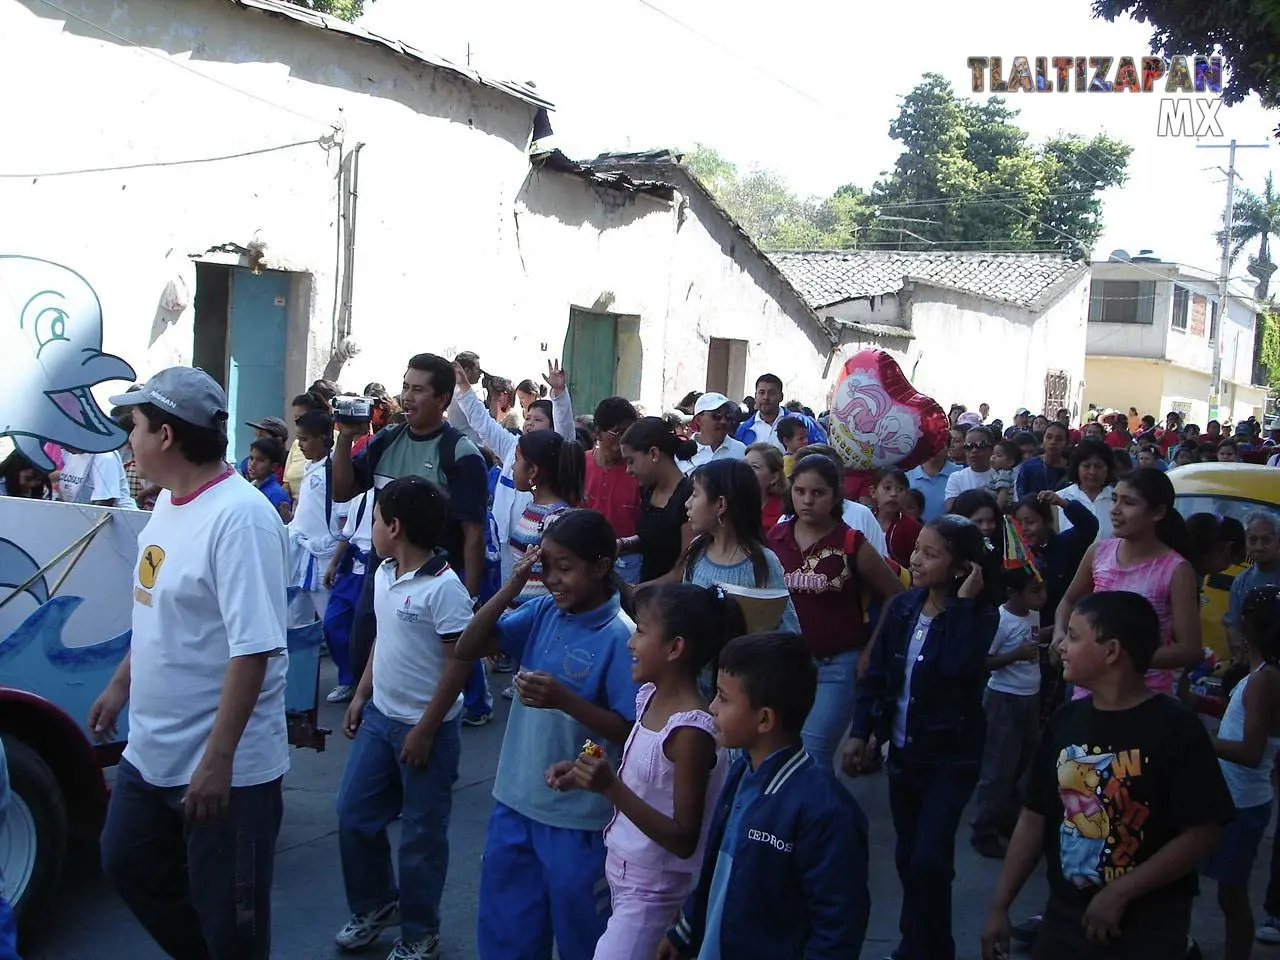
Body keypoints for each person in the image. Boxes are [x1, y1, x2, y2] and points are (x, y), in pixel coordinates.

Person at [90, 367, 289, 959]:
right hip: (152, 754)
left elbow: (252, 648)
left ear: (167, 437)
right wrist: (120, 685)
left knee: (235, 926)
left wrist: (217, 762)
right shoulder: (172, 505)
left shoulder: (240, 518)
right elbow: (157, 609)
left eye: (137, 425)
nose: (130, 437)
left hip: (223, 770)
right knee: (126, 862)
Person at [418, 510, 638, 960]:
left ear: (600, 567)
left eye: (566, 568)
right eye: (547, 566)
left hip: (578, 820)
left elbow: (627, 730)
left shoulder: (621, 636)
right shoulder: (542, 611)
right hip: (515, 801)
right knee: (507, 934)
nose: (554, 579)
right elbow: (468, 647)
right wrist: (511, 587)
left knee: (584, 940)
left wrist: (564, 699)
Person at [981, 592, 1233, 960]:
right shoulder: (1067, 720)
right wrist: (999, 905)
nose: (1061, 646)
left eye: (1074, 636)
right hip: (1065, 917)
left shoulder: (1176, 729)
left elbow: (1203, 832)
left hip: (1149, 924)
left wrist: (1122, 891)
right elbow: (1034, 818)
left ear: (1112, 651)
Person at [547, 584, 741, 960]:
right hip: (626, 874)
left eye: (640, 631)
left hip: (655, 890)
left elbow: (685, 838)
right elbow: (639, 767)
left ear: (675, 648)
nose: (630, 643)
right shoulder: (649, 697)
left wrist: (610, 788)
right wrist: (584, 767)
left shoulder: (690, 733)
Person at [658, 632, 871, 959]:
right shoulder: (742, 771)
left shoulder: (826, 812)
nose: (712, 707)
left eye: (723, 698)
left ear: (765, 719)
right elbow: (718, 867)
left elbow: (838, 927)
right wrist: (684, 930)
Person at [844, 515, 998, 960]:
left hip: (950, 758)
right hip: (904, 755)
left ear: (961, 567)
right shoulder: (905, 607)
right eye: (917, 551)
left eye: (932, 554)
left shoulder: (979, 616)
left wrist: (965, 604)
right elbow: (878, 677)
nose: (918, 560)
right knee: (910, 859)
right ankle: (918, 944)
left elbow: (955, 670)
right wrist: (861, 731)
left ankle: (932, 948)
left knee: (931, 859)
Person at [333, 478, 472, 960]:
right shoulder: (383, 574)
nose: (371, 528)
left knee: (420, 837)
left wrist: (427, 728)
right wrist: (362, 693)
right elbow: (384, 639)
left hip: (426, 732)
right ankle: (376, 904)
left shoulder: (445, 589)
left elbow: (459, 663)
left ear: (394, 526)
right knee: (353, 815)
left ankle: (420, 932)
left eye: (375, 520)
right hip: (378, 718)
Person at [330, 353, 489, 695]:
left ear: (442, 399)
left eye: (418, 390)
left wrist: (471, 598)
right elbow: (342, 491)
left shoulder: (460, 454)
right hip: (381, 573)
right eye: (405, 387)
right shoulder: (385, 440)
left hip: (434, 582)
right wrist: (343, 439)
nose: (406, 397)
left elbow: (473, 535)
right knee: (366, 654)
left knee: (429, 677)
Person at [769, 455, 903, 771]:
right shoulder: (775, 539)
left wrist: (872, 650)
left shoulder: (851, 541)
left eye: (818, 493)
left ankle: (820, 820)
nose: (807, 500)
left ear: (836, 495)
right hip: (785, 666)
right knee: (780, 755)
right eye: (800, 491)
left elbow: (897, 598)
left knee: (812, 758)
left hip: (837, 665)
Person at [1186, 585, 1280, 960]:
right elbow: (1236, 716)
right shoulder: (1260, 674)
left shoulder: (1264, 679)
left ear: (1249, 626)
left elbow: (1251, 751)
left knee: (1232, 895)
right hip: (1232, 798)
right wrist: (1198, 704)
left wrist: (1199, 743)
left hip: (1240, 805)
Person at [1055, 468, 1201, 699]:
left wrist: (1123, 657)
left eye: (1128, 502)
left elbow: (1189, 649)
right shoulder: (1098, 552)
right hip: (1088, 691)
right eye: (1115, 499)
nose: (1115, 510)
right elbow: (1069, 601)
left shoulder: (1176, 570)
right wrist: (1060, 633)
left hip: (1144, 698)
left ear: (1158, 512)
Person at [670, 459, 800, 635]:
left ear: (721, 504)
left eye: (695, 494)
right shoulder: (696, 551)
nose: (687, 503)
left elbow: (788, 630)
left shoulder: (762, 562)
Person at [970, 566, 1045, 859]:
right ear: (1013, 593)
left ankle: (1006, 818)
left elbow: (1034, 638)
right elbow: (984, 662)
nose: (1042, 597)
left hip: (1031, 698)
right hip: (1005, 700)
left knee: (1022, 764)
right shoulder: (1000, 621)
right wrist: (1016, 655)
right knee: (998, 769)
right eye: (1035, 591)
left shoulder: (1033, 615)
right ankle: (983, 829)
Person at [508, 430, 586, 605]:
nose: (513, 467)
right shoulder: (532, 507)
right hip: (520, 612)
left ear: (533, 470)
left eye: (516, 460)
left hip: (537, 616)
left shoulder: (555, 518)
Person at [619, 418, 695, 583]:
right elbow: (651, 539)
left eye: (631, 461)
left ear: (653, 454)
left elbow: (683, 570)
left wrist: (638, 592)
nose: (628, 470)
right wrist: (622, 544)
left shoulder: (688, 498)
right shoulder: (649, 489)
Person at [288, 409, 340, 627]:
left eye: (305, 439)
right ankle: (302, 661)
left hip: (324, 557)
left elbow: (341, 515)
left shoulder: (333, 472)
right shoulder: (311, 468)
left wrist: (335, 558)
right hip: (301, 555)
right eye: (299, 439)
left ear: (324, 439)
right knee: (294, 621)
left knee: (328, 621)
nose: (300, 445)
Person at [585, 397, 644, 584]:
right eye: (618, 432)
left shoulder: (640, 472)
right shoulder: (580, 464)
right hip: (583, 559)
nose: (625, 439)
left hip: (627, 563)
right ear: (597, 433)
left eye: (630, 432)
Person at [323, 488, 373, 704]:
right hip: (353, 572)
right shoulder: (361, 497)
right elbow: (347, 535)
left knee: (374, 633)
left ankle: (370, 685)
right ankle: (348, 678)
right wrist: (333, 564)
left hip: (378, 569)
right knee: (332, 624)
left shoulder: (395, 494)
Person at [1226, 512, 1280, 666]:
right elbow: (1233, 624)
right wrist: (1242, 657)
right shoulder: (1241, 581)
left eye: (1266, 540)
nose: (1259, 547)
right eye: (1252, 540)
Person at [734, 374, 825, 451]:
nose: (766, 397)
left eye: (772, 393)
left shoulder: (801, 422)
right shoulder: (744, 429)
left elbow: (820, 452)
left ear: (781, 397)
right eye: (761, 392)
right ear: (755, 396)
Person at [1055, 439, 1116, 542]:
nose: (1092, 472)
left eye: (1098, 467)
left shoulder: (1117, 500)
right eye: (1086, 466)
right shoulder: (1059, 500)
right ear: (1077, 467)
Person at [678, 393, 746, 472]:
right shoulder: (681, 453)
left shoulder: (741, 450)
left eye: (728, 416)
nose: (723, 421)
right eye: (717, 416)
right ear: (698, 420)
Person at [872, 467, 922, 568]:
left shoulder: (912, 526)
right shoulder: (864, 518)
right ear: (873, 492)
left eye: (900, 489)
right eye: (887, 488)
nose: (894, 494)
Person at [285, 391, 330, 499]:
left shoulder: (337, 444)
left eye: (301, 417)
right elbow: (286, 482)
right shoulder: (297, 444)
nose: (297, 422)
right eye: (295, 418)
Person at [58, 446, 134, 506]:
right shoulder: (69, 453)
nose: (62, 446)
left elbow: (105, 502)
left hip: (117, 519)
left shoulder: (105, 456)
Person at [943, 426, 996, 511]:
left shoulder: (1002, 476)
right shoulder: (957, 478)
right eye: (968, 446)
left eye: (980, 445)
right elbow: (950, 511)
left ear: (992, 448)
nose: (974, 450)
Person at [1016, 422, 1071, 499]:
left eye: (1059, 439)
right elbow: (1021, 498)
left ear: (1067, 443)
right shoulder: (1029, 467)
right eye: (1049, 437)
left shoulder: (1072, 469)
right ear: (1043, 440)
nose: (1053, 442)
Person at [906, 446, 960, 523]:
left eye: (940, 444)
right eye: (931, 443)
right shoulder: (907, 476)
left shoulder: (960, 474)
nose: (935, 448)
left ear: (948, 447)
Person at [246, 436, 292, 522]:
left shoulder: (276, 494)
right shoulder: (251, 487)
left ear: (273, 466)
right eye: (251, 458)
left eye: (260, 460)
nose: (252, 464)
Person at [744, 442, 787, 531]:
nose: (745, 470)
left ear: (774, 477)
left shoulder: (783, 513)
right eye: (744, 464)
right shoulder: (730, 505)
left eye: (755, 467)